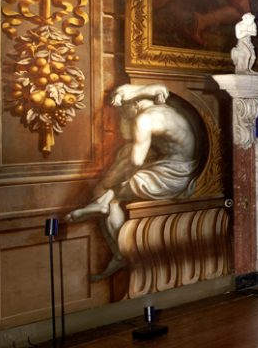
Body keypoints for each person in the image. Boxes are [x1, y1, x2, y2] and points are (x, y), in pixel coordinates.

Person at [66, 84, 200, 280]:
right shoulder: (165, 110)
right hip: (183, 165)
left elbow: (136, 161)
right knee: (125, 154)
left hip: (174, 175)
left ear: (134, 104)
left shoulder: (143, 119)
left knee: (117, 191)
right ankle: (103, 203)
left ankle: (118, 249)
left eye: (123, 111)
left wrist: (117, 178)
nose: (122, 116)